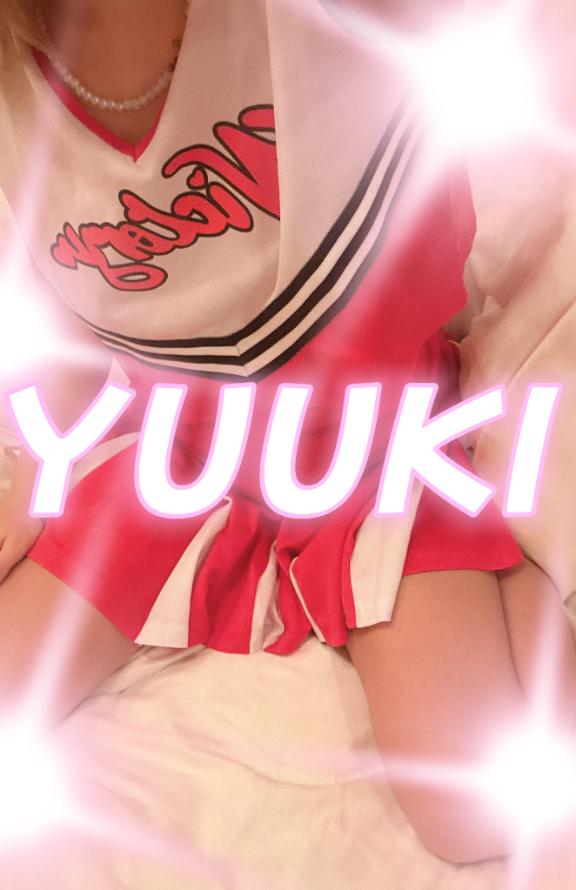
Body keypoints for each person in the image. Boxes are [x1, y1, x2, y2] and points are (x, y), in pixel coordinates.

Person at [0, 0, 574, 867]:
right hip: (179, 451)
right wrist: (33, 475)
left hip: (373, 438)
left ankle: (511, 572)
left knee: (475, 810)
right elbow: (62, 341)